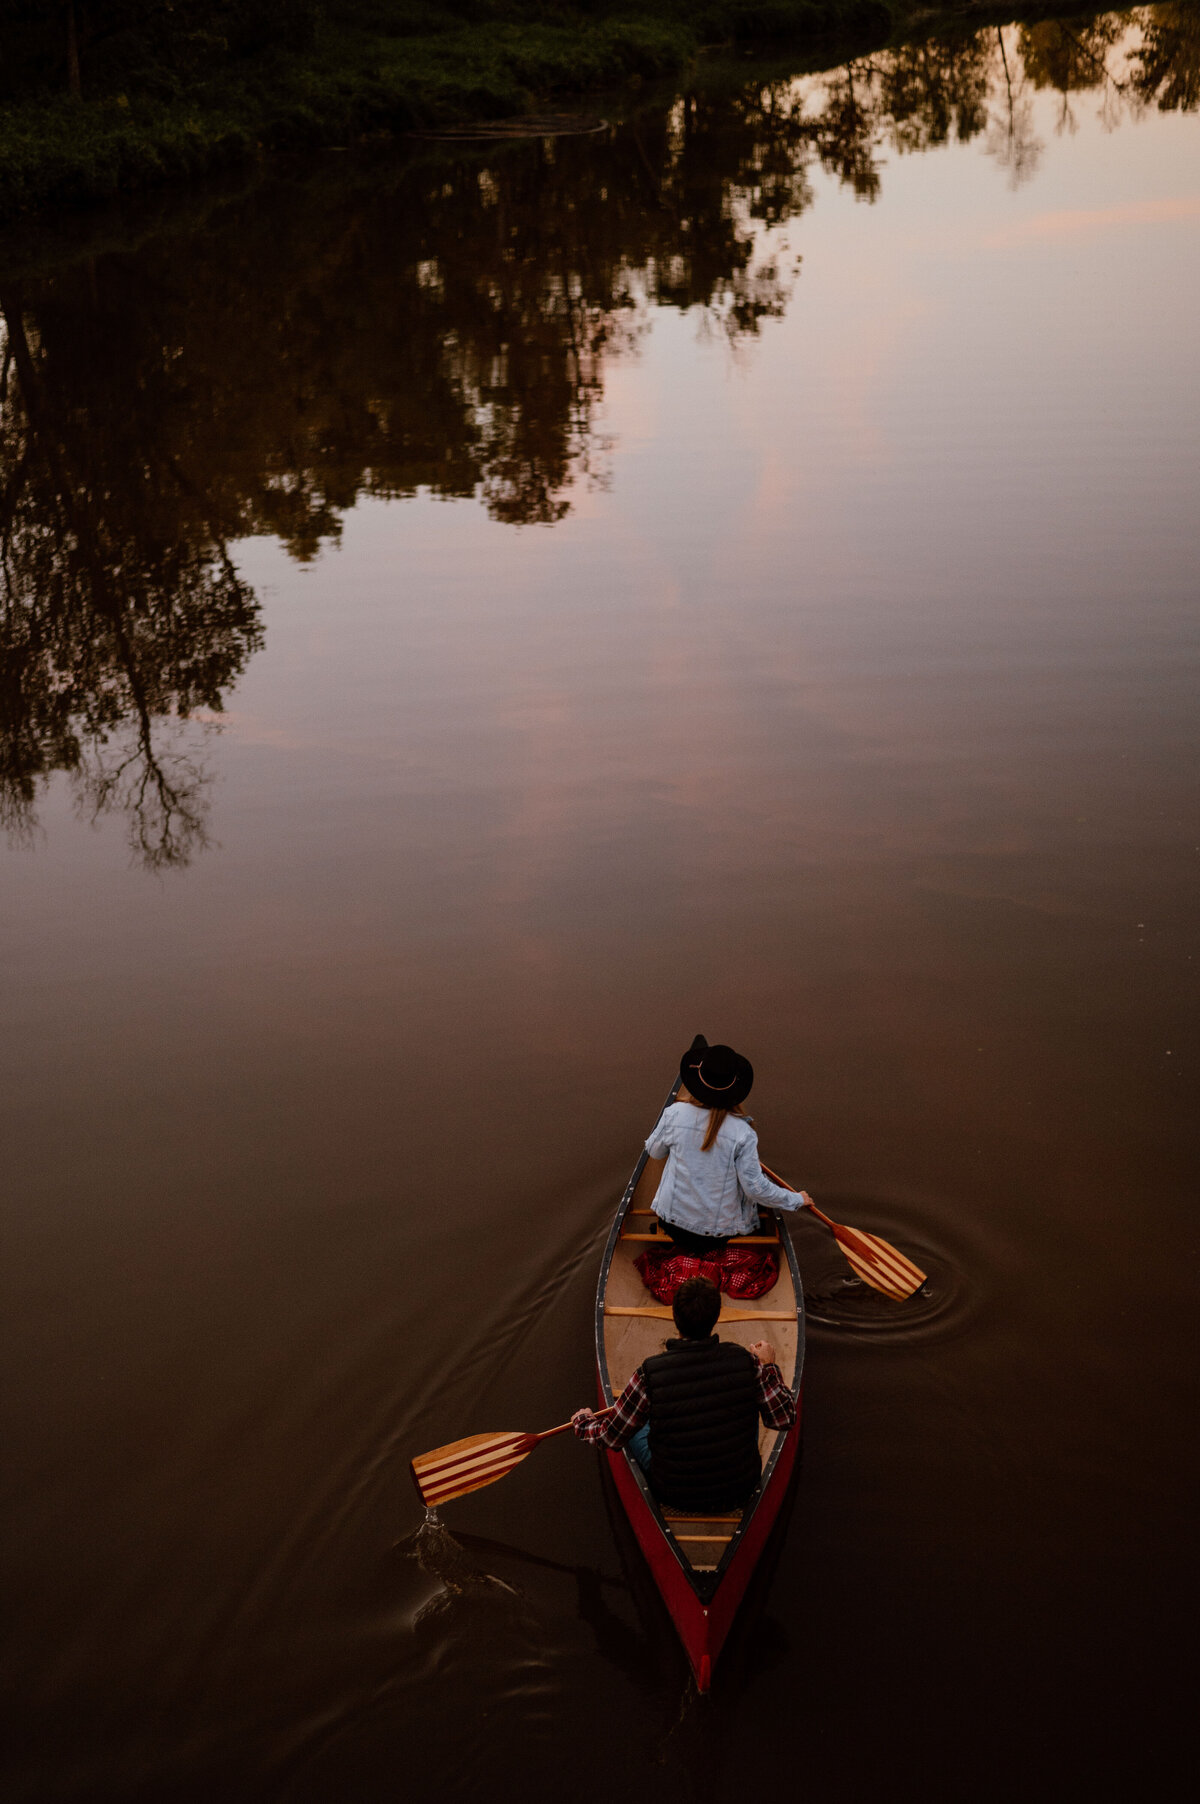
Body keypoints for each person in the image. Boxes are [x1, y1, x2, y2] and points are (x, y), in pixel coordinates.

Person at [572, 1276, 796, 1512]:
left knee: (632, 1416)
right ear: (716, 1318)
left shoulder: (649, 1374)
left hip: (673, 1494)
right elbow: (785, 1418)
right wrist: (769, 1366)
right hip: (740, 1489)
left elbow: (610, 1437)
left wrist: (583, 1422)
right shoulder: (747, 1361)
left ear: (675, 1318)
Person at [646, 1040, 811, 1254]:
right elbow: (755, 1189)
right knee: (754, 1192)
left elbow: (654, 1151)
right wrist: (797, 1199)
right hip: (716, 1235)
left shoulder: (673, 1114)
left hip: (671, 1223)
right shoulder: (743, 1133)